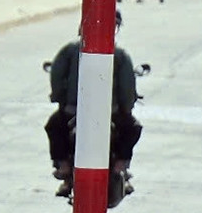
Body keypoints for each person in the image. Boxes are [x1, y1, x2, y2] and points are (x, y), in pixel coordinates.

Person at [47, 10, 142, 190]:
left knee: (54, 127)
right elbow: (127, 87)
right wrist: (126, 107)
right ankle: (121, 164)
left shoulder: (70, 50)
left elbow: (57, 76)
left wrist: (59, 99)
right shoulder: (119, 55)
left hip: (73, 110)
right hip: (110, 112)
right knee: (133, 128)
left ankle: (63, 166)